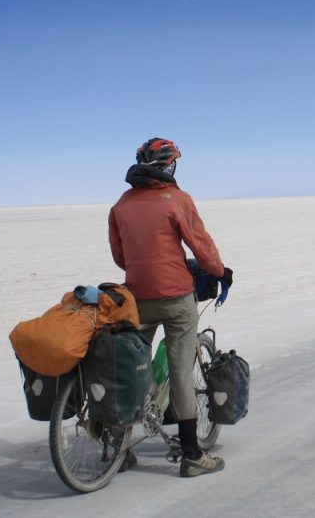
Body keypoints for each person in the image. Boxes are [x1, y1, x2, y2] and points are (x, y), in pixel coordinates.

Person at [108, 137, 229, 477]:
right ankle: (192, 455)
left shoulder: (120, 206)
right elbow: (201, 244)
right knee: (180, 372)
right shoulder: (177, 200)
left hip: (137, 298)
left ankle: (117, 447)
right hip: (176, 298)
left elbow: (120, 257)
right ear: (169, 166)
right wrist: (221, 273)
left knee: (133, 370)